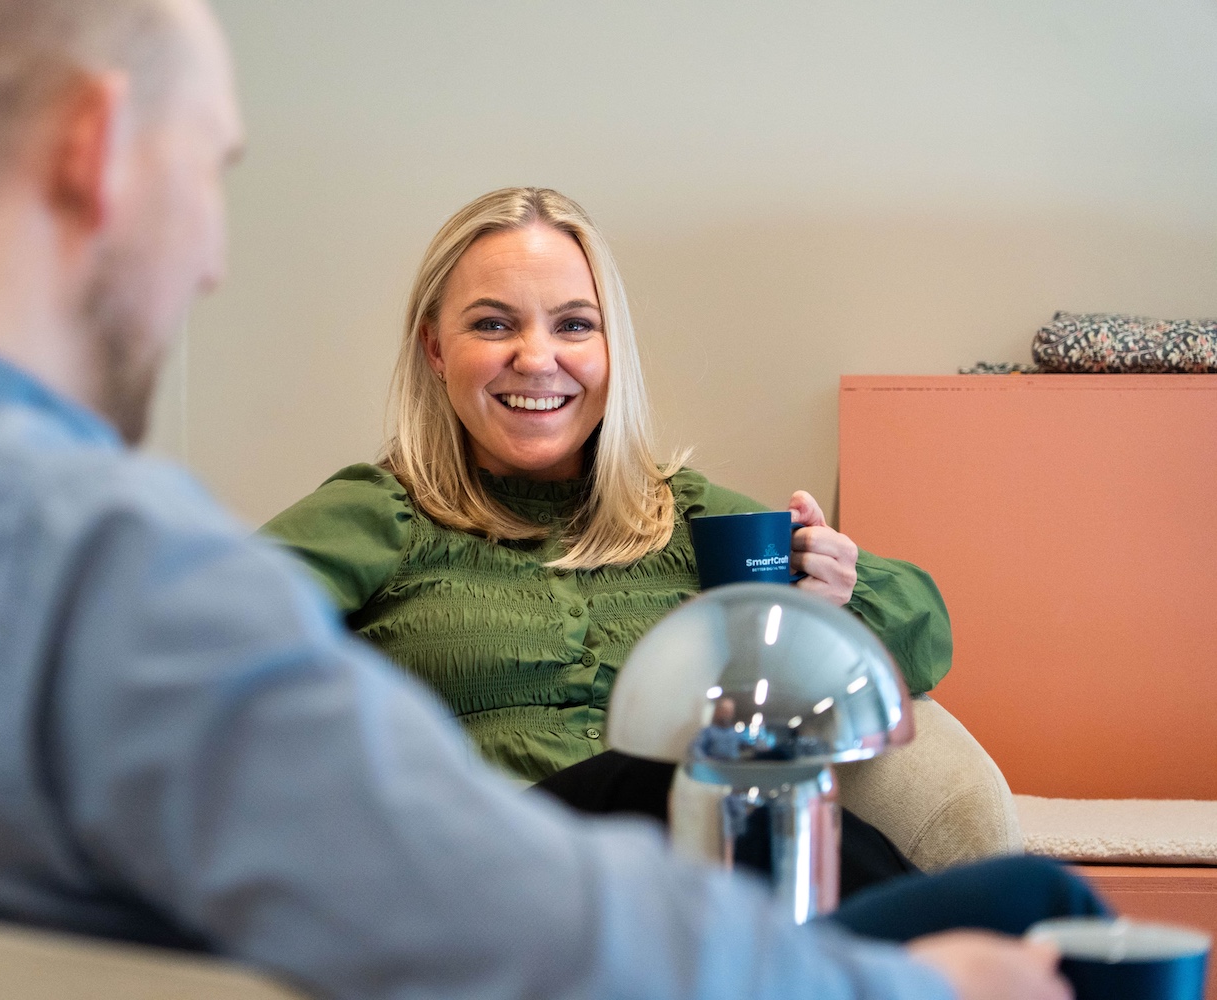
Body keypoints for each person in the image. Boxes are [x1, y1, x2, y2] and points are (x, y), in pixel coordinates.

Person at [0, 1, 1092, 998]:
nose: (209, 261)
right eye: (213, 171)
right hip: (543, 927)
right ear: (100, 146)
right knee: (1046, 927)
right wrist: (908, 989)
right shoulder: (114, 580)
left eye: (572, 324)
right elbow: (488, 915)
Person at [262, 187, 944, 892]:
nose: (536, 358)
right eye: (493, 324)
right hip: (483, 879)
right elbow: (209, 630)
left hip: (685, 897)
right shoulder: (383, 513)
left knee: (1005, 895)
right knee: (681, 777)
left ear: (611, 347)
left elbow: (927, 635)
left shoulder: (687, 515)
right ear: (436, 349)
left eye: (574, 325)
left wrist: (837, 589)